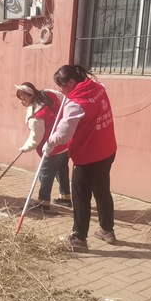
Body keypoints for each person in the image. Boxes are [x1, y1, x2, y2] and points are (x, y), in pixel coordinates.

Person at [42, 65, 117, 251]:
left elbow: (64, 134)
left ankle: (79, 238)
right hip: (107, 150)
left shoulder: (76, 103)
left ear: (71, 82)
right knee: (102, 190)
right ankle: (107, 230)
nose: (60, 89)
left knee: (81, 197)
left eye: (61, 86)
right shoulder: (98, 88)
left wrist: (50, 143)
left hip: (88, 156)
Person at [15, 82, 71, 212]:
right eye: (20, 99)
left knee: (45, 174)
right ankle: (65, 197)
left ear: (31, 95)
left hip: (51, 147)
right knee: (61, 169)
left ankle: (43, 202)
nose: (22, 102)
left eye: (23, 98)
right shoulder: (49, 94)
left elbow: (36, 138)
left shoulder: (36, 114)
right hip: (64, 140)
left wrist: (24, 148)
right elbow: (65, 101)